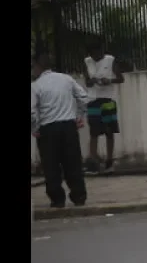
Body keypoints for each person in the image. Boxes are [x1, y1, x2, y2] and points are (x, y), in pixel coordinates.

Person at [31, 53, 88, 208]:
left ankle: (57, 199)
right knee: (73, 162)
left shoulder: (36, 85)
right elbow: (83, 97)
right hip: (68, 126)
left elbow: (32, 111)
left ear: (38, 67)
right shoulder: (66, 79)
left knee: (51, 166)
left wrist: (35, 128)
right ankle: (79, 196)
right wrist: (80, 116)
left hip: (47, 129)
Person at [84, 41, 124, 174]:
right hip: (93, 99)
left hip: (107, 99)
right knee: (94, 131)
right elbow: (87, 83)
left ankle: (109, 161)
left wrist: (109, 81)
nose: (97, 56)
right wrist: (93, 81)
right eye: (94, 54)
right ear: (90, 54)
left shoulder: (110, 60)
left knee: (109, 130)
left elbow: (121, 78)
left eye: (99, 53)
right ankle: (93, 161)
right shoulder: (87, 62)